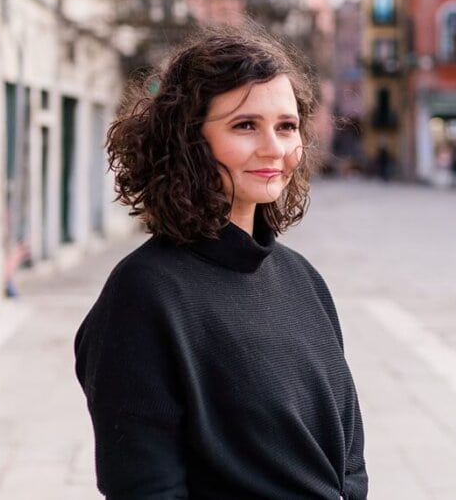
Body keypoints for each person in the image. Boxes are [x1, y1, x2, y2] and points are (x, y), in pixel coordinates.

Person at [74, 25, 368, 499]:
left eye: (286, 126)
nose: (274, 147)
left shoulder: (303, 279)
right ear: (189, 139)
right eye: (245, 125)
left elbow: (349, 459)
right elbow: (145, 490)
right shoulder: (144, 294)